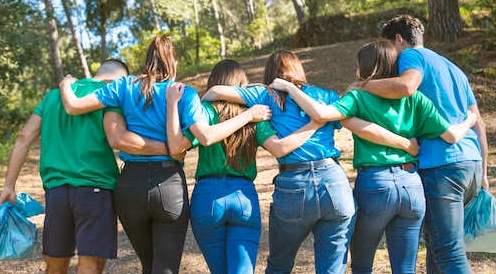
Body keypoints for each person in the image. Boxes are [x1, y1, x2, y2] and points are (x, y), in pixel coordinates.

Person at [58, 33, 271, 274]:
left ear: (147, 61)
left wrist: (66, 83)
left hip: (130, 186)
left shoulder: (123, 86)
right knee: (166, 268)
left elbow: (73, 106)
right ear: (175, 64)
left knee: (149, 265)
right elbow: (193, 139)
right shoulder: (185, 93)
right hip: (169, 185)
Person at [269, 39, 477, 274]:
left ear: (367, 67)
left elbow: (320, 113)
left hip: (375, 185)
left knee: (361, 265)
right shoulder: (416, 99)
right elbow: (451, 135)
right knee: (406, 269)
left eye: (358, 65)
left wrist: (290, 88)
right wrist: (470, 120)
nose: (355, 70)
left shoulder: (358, 96)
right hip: (412, 186)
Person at [201, 50, 419, 274]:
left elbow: (215, 91)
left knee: (279, 265)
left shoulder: (264, 93)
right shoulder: (327, 96)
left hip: (294, 183)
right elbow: (359, 126)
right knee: (332, 269)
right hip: (335, 183)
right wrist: (405, 144)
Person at [0, 59, 166, 274]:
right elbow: (122, 137)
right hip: (96, 189)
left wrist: (9, 186)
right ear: (122, 78)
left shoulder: (53, 96)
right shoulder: (112, 95)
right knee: (91, 264)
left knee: (55, 263)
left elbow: (23, 138)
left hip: (56, 193)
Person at [353, 14, 489, 273]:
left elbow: (406, 87)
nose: (390, 57)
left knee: (449, 252)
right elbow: (478, 123)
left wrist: (362, 86)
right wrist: (484, 173)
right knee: (439, 246)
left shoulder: (410, 56)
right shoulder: (453, 68)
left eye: (390, 48)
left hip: (441, 165)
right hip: (470, 162)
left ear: (398, 39)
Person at [165, 59, 323, 274]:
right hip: (243, 197)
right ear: (242, 85)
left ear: (212, 81)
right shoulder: (256, 116)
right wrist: (314, 124)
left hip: (207, 197)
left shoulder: (204, 112)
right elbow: (278, 148)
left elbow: (177, 148)